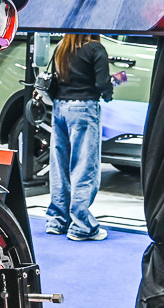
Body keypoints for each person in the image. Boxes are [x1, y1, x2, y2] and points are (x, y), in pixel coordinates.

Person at [43, 33, 112, 241]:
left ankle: (57, 221)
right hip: (84, 109)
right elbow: (102, 84)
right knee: (83, 167)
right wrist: (110, 91)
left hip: (60, 108)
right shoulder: (95, 49)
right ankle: (82, 226)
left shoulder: (61, 47)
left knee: (59, 166)